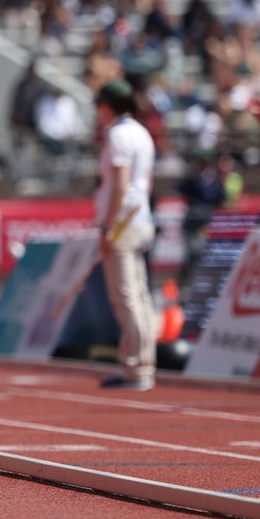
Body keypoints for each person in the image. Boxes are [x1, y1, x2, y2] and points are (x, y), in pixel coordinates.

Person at [93, 79, 157, 391]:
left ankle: (136, 368)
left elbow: (120, 184)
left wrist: (108, 226)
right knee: (140, 296)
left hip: (123, 223)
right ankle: (143, 365)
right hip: (140, 218)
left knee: (126, 297)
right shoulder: (142, 132)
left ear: (107, 106)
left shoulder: (118, 135)